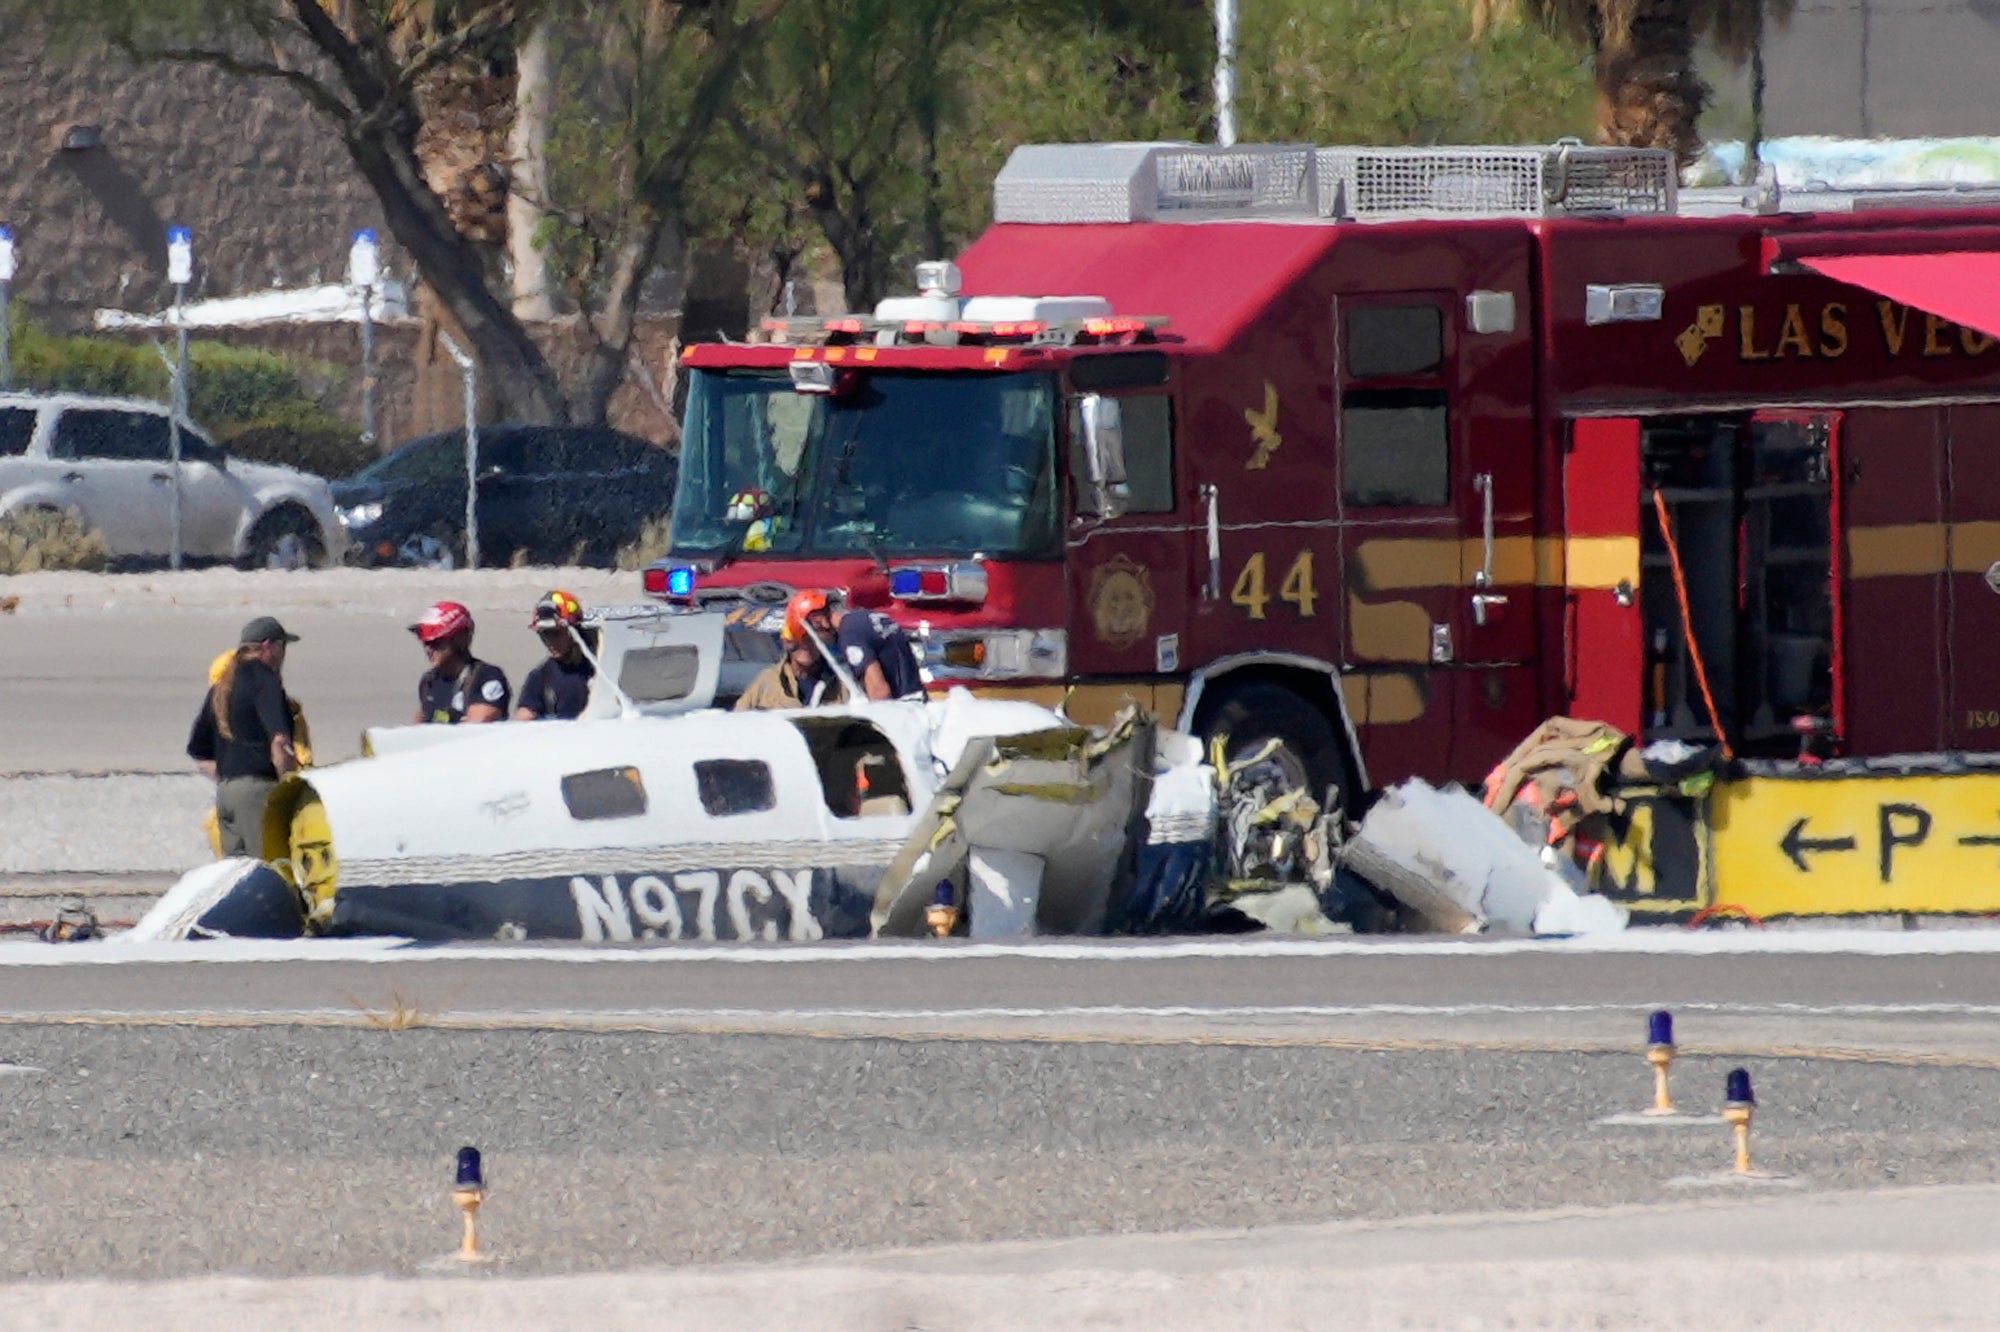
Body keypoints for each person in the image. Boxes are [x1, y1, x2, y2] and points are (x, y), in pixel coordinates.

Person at [187, 616, 301, 858]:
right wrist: (288, 787)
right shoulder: (265, 681)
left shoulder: (222, 685)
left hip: (227, 793)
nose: (284, 655)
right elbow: (279, 741)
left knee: (238, 875)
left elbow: (200, 752)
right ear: (269, 646)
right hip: (258, 792)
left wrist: (233, 774)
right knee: (273, 869)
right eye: (283, 646)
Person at [734, 590, 846, 711]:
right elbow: (736, 722)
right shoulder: (767, 682)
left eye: (813, 637)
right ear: (786, 640)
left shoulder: (842, 684)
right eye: (800, 636)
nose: (806, 643)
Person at [411, 600, 511, 724]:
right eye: (425, 643)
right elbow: (419, 728)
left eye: (435, 643)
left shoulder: (486, 677)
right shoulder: (429, 681)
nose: (428, 649)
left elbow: (476, 730)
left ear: (460, 639)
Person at [516, 589, 595, 721]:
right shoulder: (540, 677)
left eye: (556, 633)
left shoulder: (600, 670)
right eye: (546, 634)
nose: (550, 642)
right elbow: (524, 718)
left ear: (574, 631)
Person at [833, 602, 927, 701]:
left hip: (899, 708)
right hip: (918, 700)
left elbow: (879, 692)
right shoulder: (870, 616)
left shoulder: (849, 635)